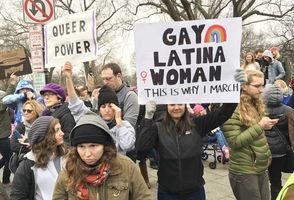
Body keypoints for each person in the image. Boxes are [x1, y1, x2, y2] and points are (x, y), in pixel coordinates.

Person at [136, 69, 243, 200]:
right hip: (167, 191)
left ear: (185, 105)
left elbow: (222, 114)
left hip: (194, 191)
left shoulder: (197, 124)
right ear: (166, 106)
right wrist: (147, 118)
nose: (176, 107)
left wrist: (236, 89)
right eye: (172, 104)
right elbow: (142, 149)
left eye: (180, 103)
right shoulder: (158, 127)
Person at [52, 112, 152, 200]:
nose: (87, 154)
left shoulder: (126, 167)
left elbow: (143, 197)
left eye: (93, 146)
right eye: (81, 146)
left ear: (105, 145)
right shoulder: (68, 172)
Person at [223, 69, 279, 200]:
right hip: (244, 171)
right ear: (244, 86)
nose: (261, 90)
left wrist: (266, 124)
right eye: (257, 86)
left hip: (260, 167)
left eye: (262, 85)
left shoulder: (256, 104)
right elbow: (234, 142)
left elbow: (255, 135)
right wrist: (260, 126)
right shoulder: (232, 108)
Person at [63, 61, 135, 155]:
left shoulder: (124, 125)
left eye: (110, 106)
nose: (107, 110)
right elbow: (75, 105)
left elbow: (127, 145)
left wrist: (119, 122)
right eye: (103, 106)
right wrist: (68, 78)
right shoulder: (93, 121)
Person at [10, 116, 67, 200]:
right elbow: (17, 196)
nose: (62, 133)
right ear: (45, 135)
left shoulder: (67, 155)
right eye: (57, 130)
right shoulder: (28, 164)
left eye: (60, 129)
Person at [263, 84, 293, 199]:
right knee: (276, 180)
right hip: (280, 151)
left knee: (260, 180)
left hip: (263, 149)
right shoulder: (289, 111)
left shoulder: (258, 110)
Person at [100, 63, 139, 128]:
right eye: (103, 79)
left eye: (108, 79)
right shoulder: (101, 94)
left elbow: (129, 127)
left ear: (119, 76)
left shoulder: (130, 95)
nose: (105, 82)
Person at [0, 73, 17, 188]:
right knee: (11, 158)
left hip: (3, 135)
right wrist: (11, 84)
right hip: (1, 137)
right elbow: (4, 102)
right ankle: (6, 180)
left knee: (8, 157)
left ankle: (6, 180)